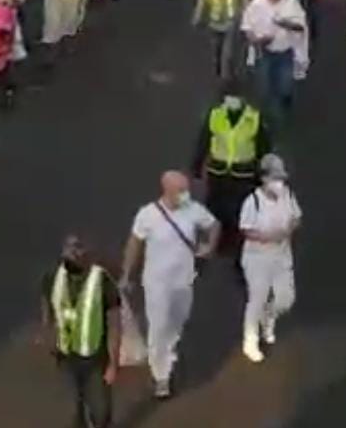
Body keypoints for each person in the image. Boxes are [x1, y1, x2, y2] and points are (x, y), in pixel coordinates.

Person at [120, 171, 219, 399]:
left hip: (184, 280)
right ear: (167, 191)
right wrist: (127, 275)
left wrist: (209, 247)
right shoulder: (147, 215)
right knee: (158, 327)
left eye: (186, 190)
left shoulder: (193, 210)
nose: (186, 195)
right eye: (181, 191)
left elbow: (214, 225)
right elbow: (134, 245)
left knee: (177, 322)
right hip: (157, 283)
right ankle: (161, 376)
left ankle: (168, 354)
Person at [42, 235, 121, 428]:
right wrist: (48, 335)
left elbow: (114, 322)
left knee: (101, 413)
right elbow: (47, 306)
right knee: (72, 412)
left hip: (95, 358)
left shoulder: (102, 281)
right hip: (66, 356)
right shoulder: (53, 278)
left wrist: (113, 363)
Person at [239, 154, 301, 363]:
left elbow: (296, 217)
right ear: (264, 179)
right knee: (257, 298)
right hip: (258, 258)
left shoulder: (287, 195)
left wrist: (288, 231)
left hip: (282, 255)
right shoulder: (253, 202)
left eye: (281, 179)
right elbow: (247, 230)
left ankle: (269, 316)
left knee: (286, 299)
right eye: (275, 179)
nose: (279, 183)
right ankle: (250, 341)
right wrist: (268, 237)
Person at [191, 79, 270, 242]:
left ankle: (236, 240)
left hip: (243, 172)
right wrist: (197, 165)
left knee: (241, 208)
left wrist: (264, 171)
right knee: (215, 206)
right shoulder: (216, 115)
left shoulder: (253, 118)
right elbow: (204, 140)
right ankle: (217, 237)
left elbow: (263, 146)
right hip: (218, 170)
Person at [241, 0, 309, 129]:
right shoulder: (257, 4)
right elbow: (247, 26)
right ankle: (270, 121)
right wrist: (256, 40)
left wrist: (285, 23)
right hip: (265, 52)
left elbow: (300, 26)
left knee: (285, 86)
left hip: (285, 52)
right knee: (266, 86)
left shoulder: (290, 2)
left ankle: (285, 101)